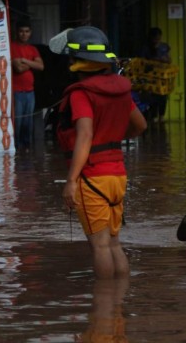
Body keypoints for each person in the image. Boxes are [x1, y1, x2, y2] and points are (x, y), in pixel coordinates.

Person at [51, 26, 147, 279]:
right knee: (113, 243)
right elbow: (140, 126)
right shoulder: (121, 89)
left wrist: (71, 181)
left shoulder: (82, 93)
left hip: (92, 177)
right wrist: (111, 137)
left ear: (77, 61)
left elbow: (84, 135)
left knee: (100, 246)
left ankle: (104, 306)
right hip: (118, 176)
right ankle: (118, 302)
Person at [10, 19, 44, 151]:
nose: (24, 34)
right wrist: (31, 63)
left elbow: (41, 66)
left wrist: (24, 60)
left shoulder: (32, 49)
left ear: (30, 33)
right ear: (17, 32)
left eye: (27, 31)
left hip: (30, 91)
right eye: (21, 31)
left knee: (27, 123)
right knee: (17, 123)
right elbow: (18, 68)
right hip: (16, 91)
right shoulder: (11, 47)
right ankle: (16, 149)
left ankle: (26, 150)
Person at [140, 27, 171, 123]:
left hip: (162, 76)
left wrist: (163, 60)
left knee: (163, 96)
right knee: (152, 97)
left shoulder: (163, 47)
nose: (157, 40)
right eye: (155, 38)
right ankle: (153, 116)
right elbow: (143, 62)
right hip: (151, 77)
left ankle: (161, 116)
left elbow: (169, 60)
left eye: (158, 38)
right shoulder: (146, 48)